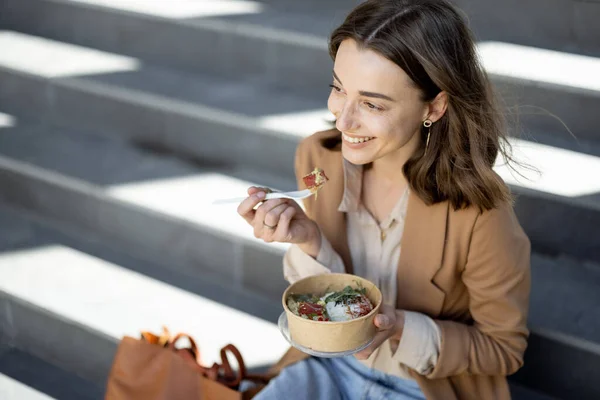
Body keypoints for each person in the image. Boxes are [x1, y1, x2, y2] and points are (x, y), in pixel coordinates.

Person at [236, 0, 531, 399]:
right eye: (338, 88)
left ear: (435, 106)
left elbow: (504, 349)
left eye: (372, 104)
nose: (343, 121)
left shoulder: (481, 213)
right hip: (328, 367)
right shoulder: (318, 159)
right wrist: (309, 240)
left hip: (422, 387)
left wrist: (401, 328)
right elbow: (327, 304)